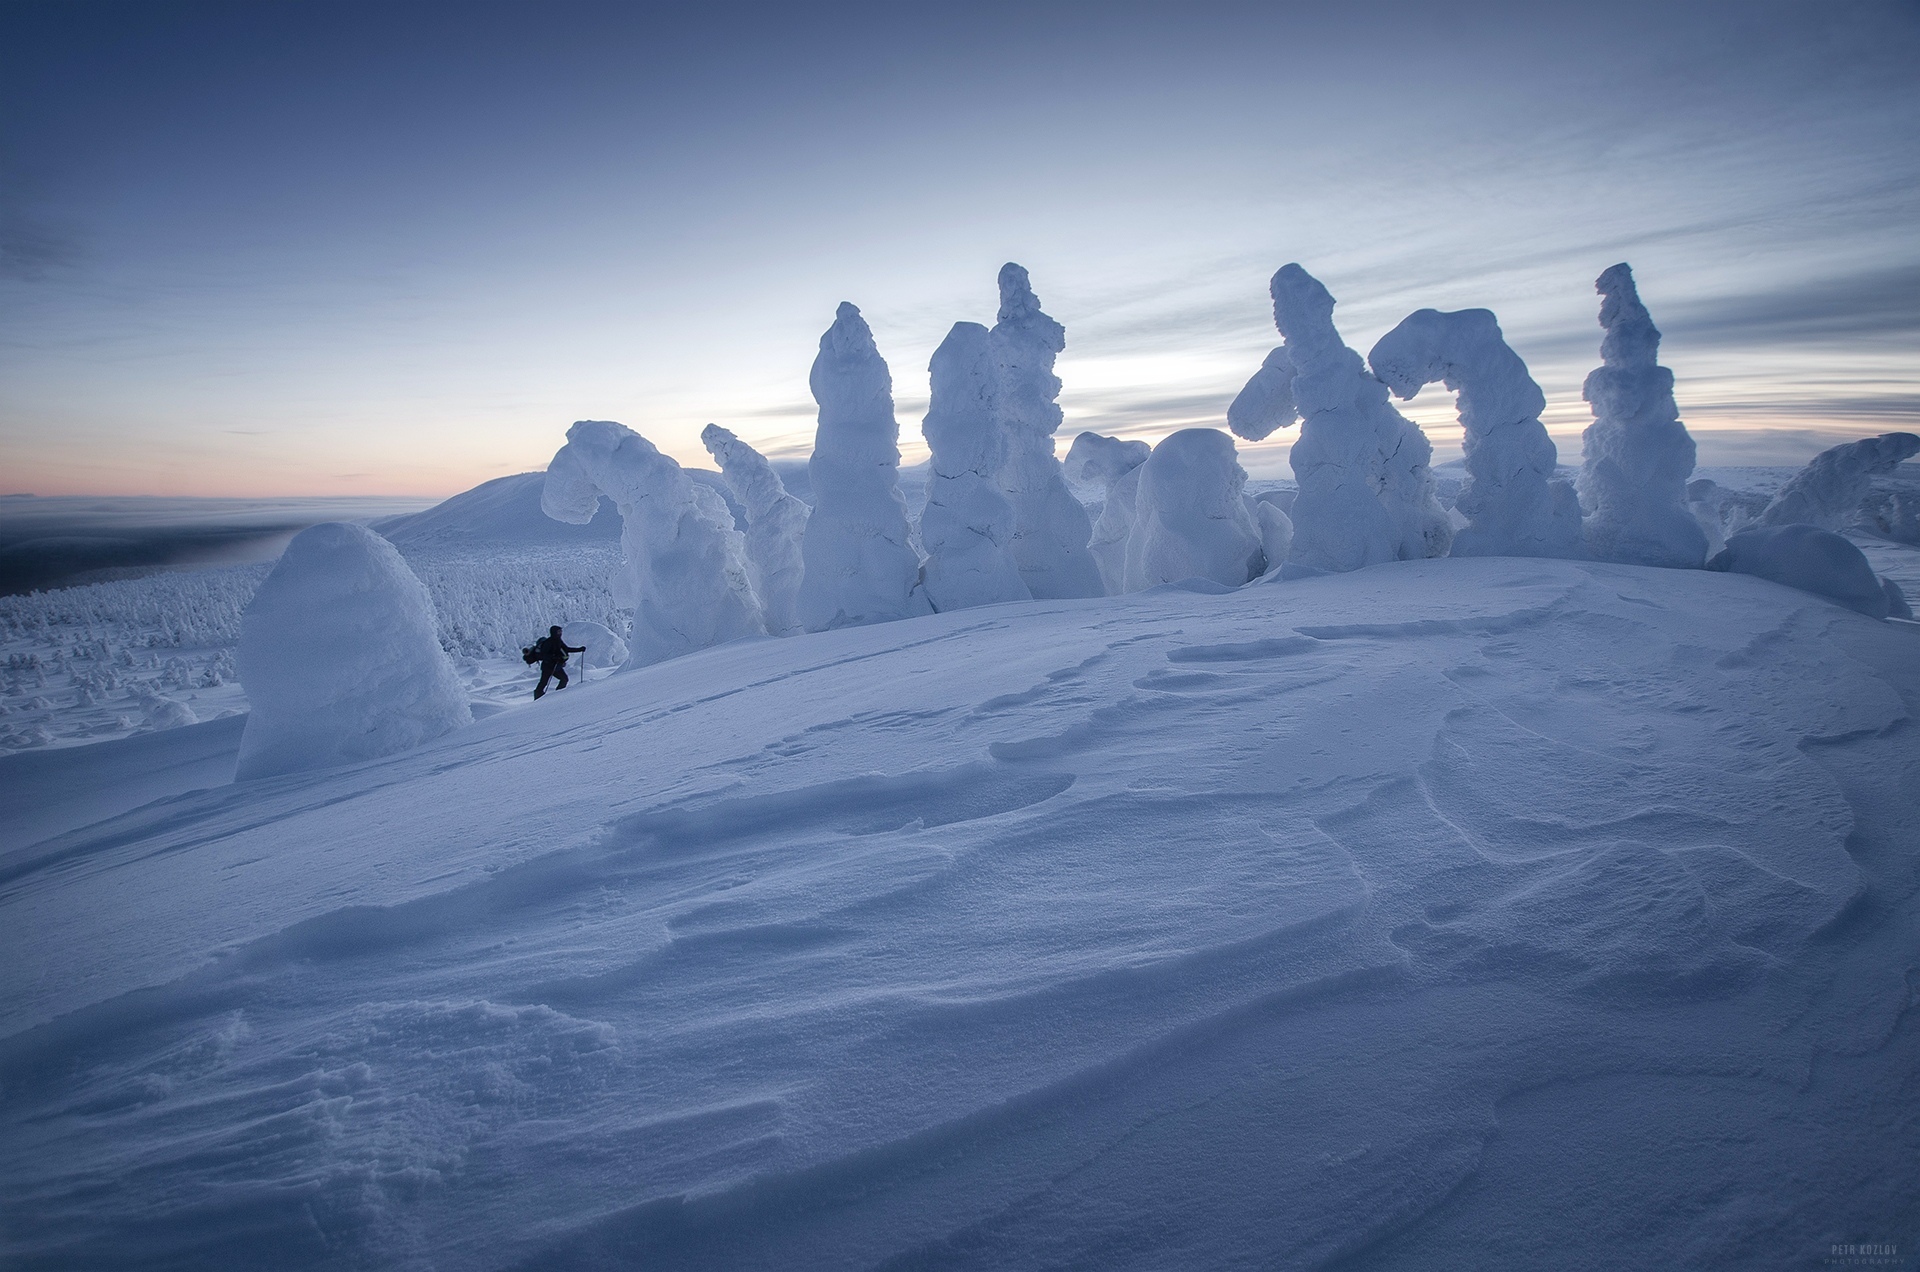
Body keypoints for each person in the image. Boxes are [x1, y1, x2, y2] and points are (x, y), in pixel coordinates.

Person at [532, 626, 586, 699]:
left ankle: (557, 695)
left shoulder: (558, 641)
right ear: (554, 632)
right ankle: (539, 697)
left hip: (556, 666)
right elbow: (544, 655)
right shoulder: (549, 642)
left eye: (561, 631)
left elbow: (566, 649)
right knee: (544, 682)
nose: (560, 633)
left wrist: (579, 649)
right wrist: (554, 658)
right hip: (548, 666)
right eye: (559, 632)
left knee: (564, 679)